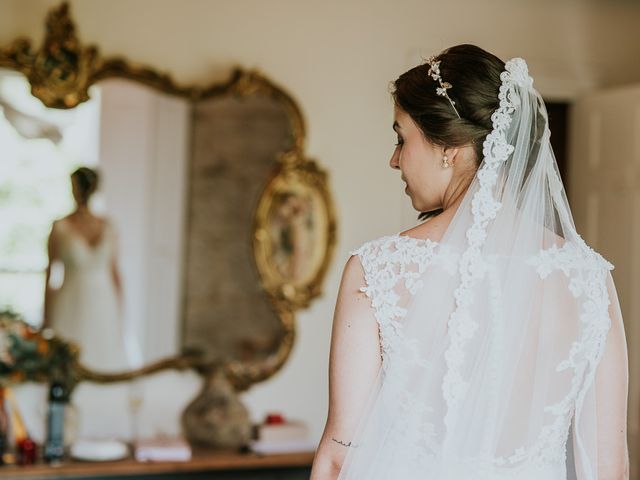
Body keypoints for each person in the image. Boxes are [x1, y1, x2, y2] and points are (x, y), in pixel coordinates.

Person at [310, 45, 629, 480]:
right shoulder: (589, 280)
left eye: (402, 138)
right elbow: (609, 466)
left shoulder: (379, 269)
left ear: (450, 147)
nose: (394, 159)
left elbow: (339, 456)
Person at [43, 167, 126, 371]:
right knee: (66, 361)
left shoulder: (109, 225)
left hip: (103, 302)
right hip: (70, 300)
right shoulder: (60, 226)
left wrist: (119, 310)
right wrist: (46, 311)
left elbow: (114, 270)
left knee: (104, 359)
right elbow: (50, 271)